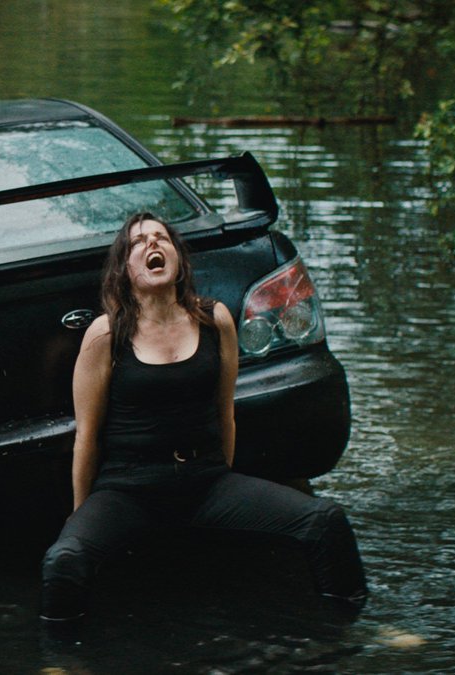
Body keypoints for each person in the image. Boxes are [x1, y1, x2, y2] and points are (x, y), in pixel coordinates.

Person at [40, 212, 368, 623]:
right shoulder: (106, 335)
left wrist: (222, 483)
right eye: (139, 243)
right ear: (124, 268)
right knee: (65, 560)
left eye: (162, 238)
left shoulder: (214, 320)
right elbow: (86, 437)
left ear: (178, 259)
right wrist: (81, 517)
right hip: (128, 489)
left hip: (205, 482)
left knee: (326, 521)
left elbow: (224, 413)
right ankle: (63, 664)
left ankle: (352, 630)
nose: (153, 245)